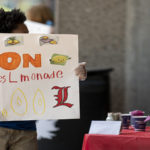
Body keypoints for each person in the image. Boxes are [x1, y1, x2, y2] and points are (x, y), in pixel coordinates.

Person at [0, 8, 86, 150]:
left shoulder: (36, 56)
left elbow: (58, 72)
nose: (28, 39)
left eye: (28, 35)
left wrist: (76, 71)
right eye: (23, 35)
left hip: (26, 131)